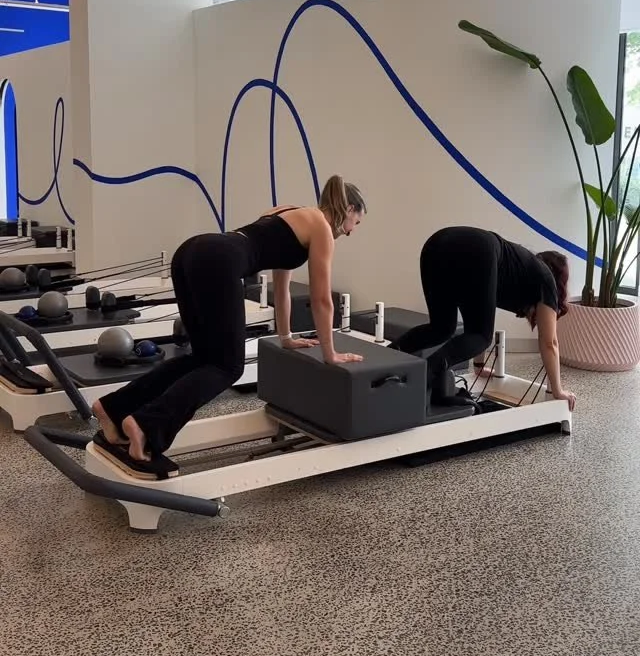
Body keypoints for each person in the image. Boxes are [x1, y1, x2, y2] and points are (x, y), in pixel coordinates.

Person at [91, 175, 367, 476]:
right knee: (228, 367)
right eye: (356, 222)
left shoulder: (289, 211)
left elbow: (282, 288)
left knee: (202, 360)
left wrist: (286, 336)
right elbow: (321, 299)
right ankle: (145, 425)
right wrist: (330, 354)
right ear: (348, 209)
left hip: (192, 251)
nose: (352, 231)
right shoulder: (322, 228)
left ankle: (114, 408)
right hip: (219, 261)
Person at [390, 226, 576, 411]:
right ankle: (423, 377)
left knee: (441, 328)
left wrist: (479, 365)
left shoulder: (518, 268)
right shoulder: (546, 280)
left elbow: (480, 312)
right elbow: (549, 342)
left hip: (436, 244)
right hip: (477, 249)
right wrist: (558, 391)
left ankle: (384, 359)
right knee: (481, 336)